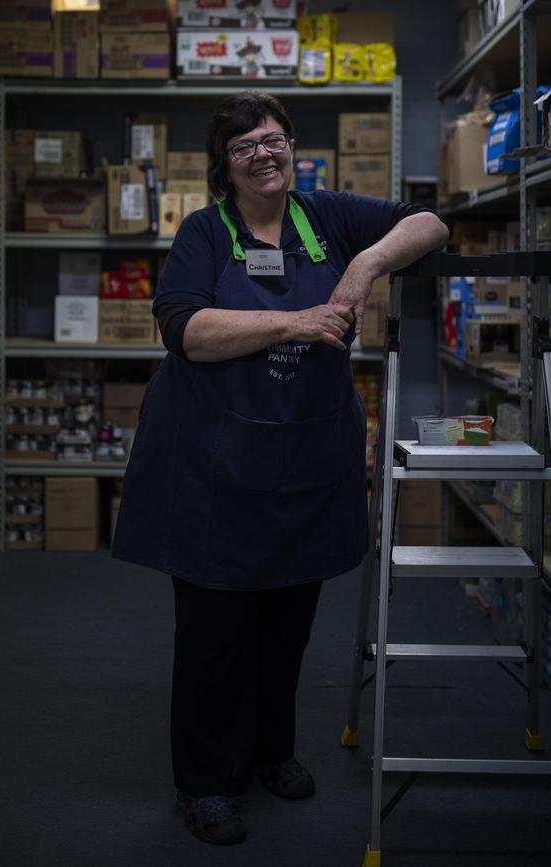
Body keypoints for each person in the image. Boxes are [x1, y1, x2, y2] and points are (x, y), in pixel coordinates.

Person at [113, 91, 449, 845]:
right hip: (213, 465)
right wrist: (300, 320)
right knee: (216, 634)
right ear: (224, 168)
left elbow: (430, 223)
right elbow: (187, 329)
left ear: (293, 147)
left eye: (274, 139)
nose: (264, 153)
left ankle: (270, 751)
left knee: (286, 626)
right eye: (245, 147)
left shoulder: (325, 216)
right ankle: (206, 782)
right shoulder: (204, 232)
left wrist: (362, 268)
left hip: (300, 460)